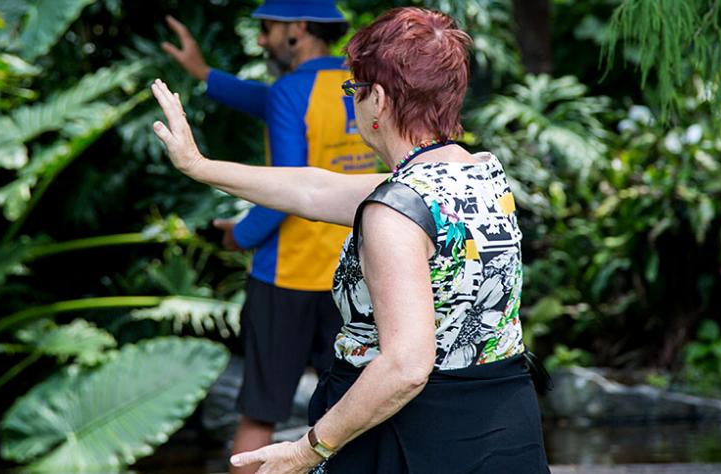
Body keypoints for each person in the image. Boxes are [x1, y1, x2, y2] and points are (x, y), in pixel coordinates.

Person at [151, 6, 550, 473]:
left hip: (414, 439)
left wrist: (307, 450)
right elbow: (313, 189)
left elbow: (405, 365)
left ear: (377, 99)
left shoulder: (394, 213)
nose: (353, 101)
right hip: (500, 425)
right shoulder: (479, 171)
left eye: (353, 89)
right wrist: (199, 166)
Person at [161, 2, 379, 472]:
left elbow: (287, 189)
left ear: (297, 29)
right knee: (356, 410)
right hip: (354, 274)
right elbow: (261, 99)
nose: (261, 40)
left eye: (266, 29)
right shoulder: (364, 87)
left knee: (260, 410)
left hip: (288, 277)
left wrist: (238, 236)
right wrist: (203, 72)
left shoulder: (290, 91)